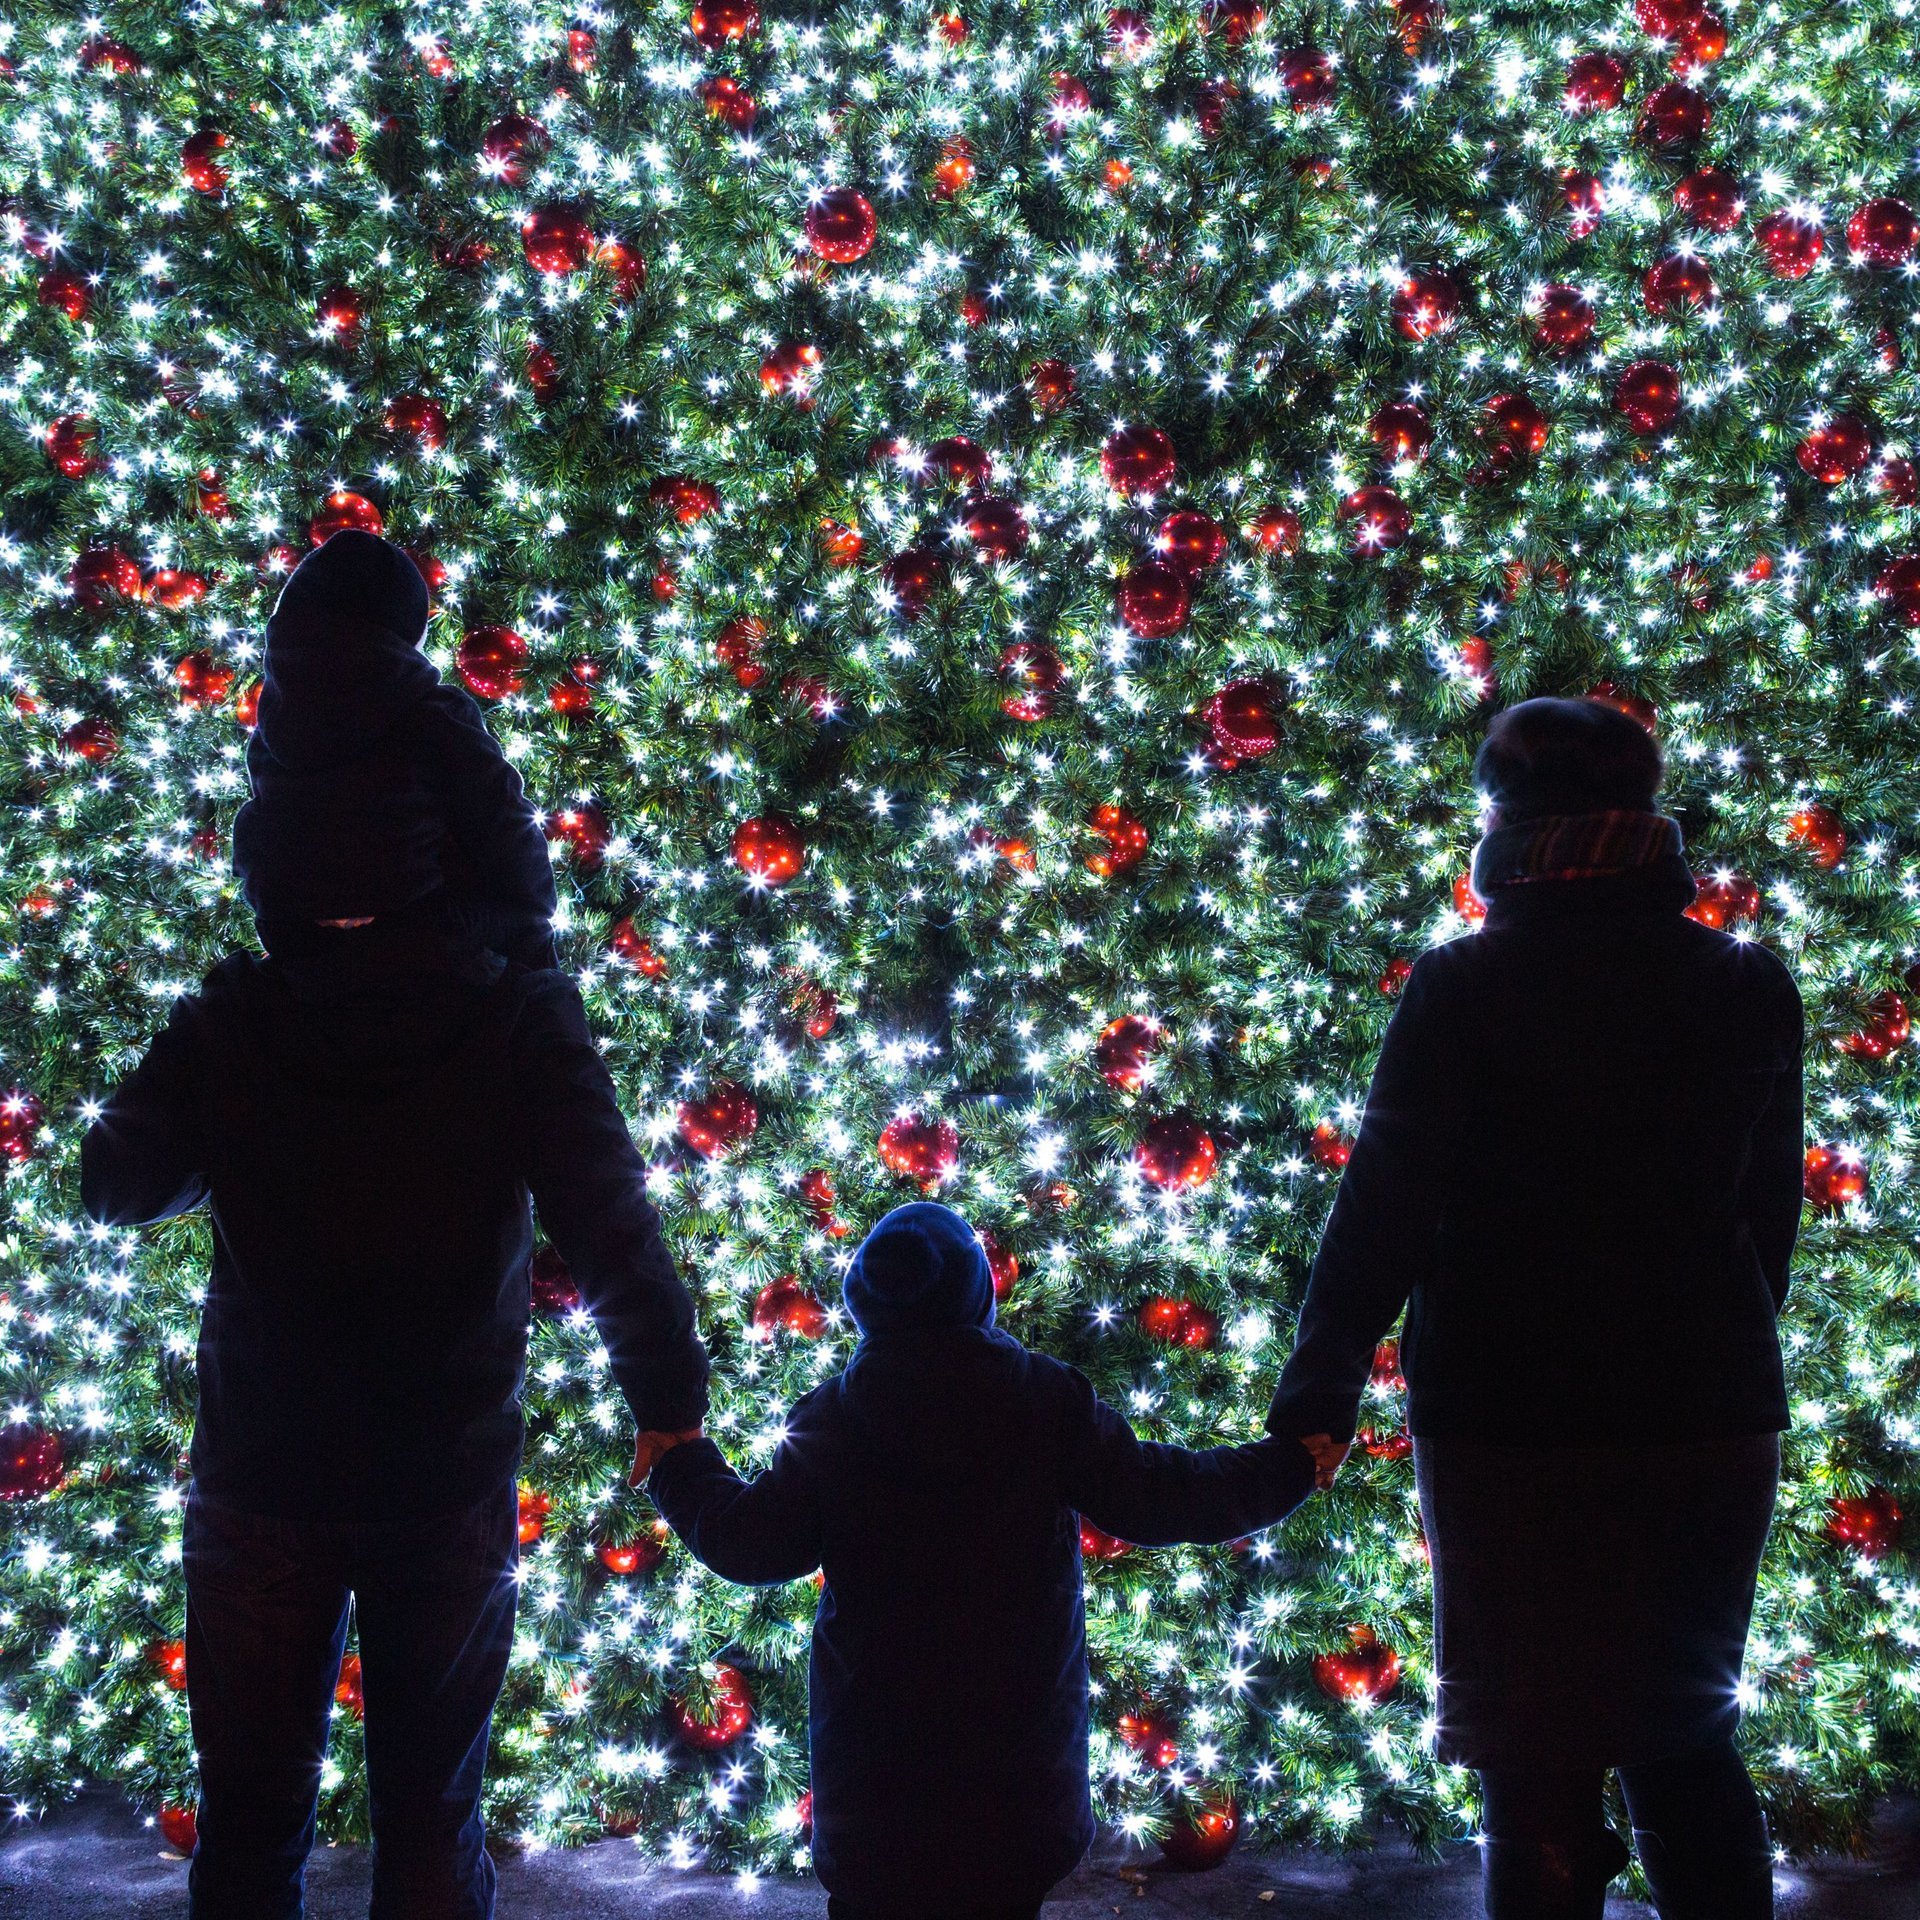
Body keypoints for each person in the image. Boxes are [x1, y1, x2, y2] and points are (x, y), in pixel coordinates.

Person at [80, 534, 709, 1920]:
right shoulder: (507, 1010)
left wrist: (215, 1116)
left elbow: (113, 1179)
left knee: (247, 1840)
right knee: (431, 1836)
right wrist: (670, 1406)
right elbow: (614, 1226)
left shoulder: (238, 1019)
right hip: (440, 1475)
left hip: (264, 1476)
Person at [1268, 697, 1802, 1920]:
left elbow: (1382, 1212)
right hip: (1705, 1417)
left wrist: (1316, 1404)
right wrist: (1707, 1336)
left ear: (1507, 821)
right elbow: (1766, 1223)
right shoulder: (1744, 982)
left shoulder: (1463, 986)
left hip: (1508, 1419)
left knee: (1533, 1759)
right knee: (1684, 1732)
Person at [642, 1201, 1319, 1920]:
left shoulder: (833, 1418)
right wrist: (1287, 1467)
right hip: (1016, 1777)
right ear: (979, 1293)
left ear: (863, 1304)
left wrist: (679, 1461)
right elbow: (1161, 1496)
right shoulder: (1046, 1399)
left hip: (879, 1781)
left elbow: (748, 1542)